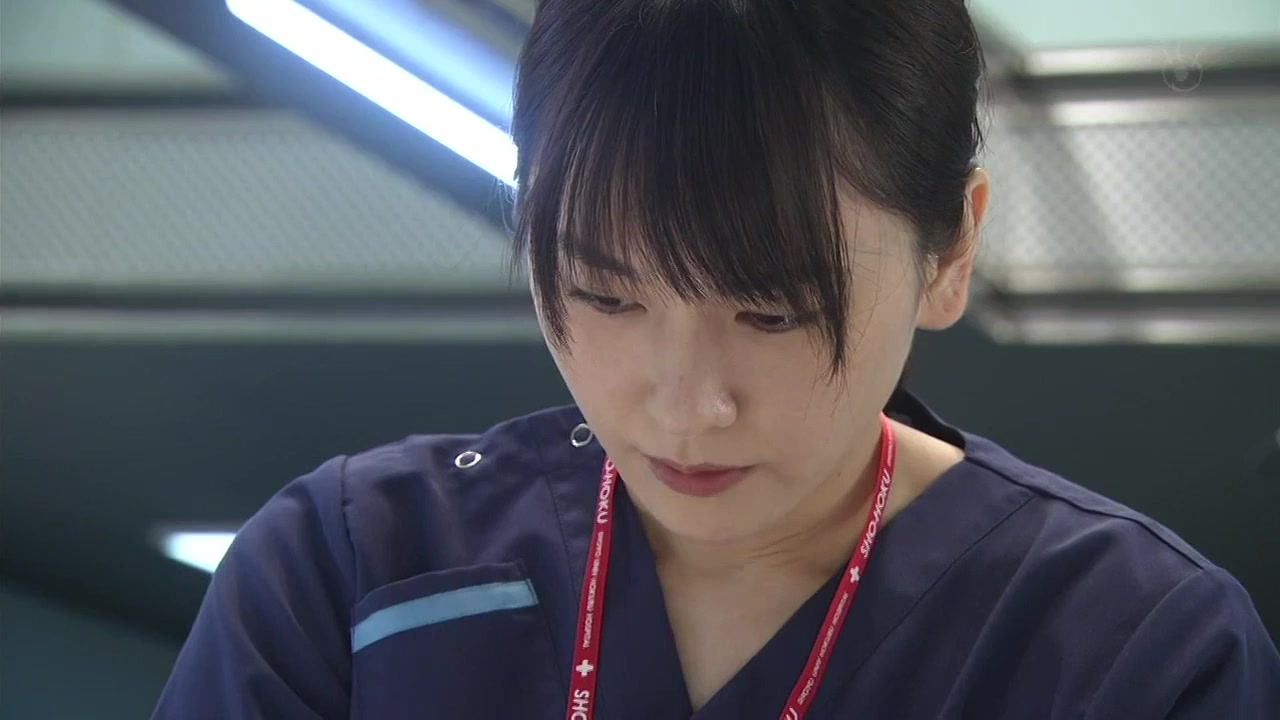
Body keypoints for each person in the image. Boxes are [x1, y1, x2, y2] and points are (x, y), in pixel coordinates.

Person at [152, 0, 1280, 717]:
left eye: (773, 313)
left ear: (949, 250)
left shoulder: (1130, 647)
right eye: (605, 294)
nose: (686, 405)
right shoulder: (352, 573)